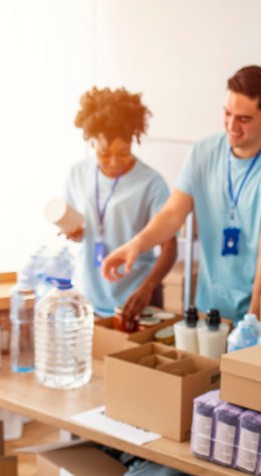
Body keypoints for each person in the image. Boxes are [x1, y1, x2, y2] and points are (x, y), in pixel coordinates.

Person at [101, 65, 261, 321]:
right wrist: (135, 245)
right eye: (227, 113)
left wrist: (254, 319)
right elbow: (173, 214)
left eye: (244, 119)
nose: (232, 125)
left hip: (255, 311)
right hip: (207, 306)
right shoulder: (203, 152)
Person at [64, 86, 176, 320]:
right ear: (91, 141)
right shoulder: (77, 173)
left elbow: (169, 248)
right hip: (89, 298)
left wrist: (148, 288)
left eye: (123, 152)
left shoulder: (151, 183)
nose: (114, 162)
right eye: (104, 153)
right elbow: (77, 228)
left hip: (135, 300)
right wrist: (73, 232)